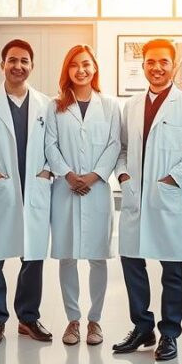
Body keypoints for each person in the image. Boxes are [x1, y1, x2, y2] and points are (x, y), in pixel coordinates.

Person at [113, 38, 182, 362]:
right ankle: (142, 327)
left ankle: (169, 333)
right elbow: (123, 149)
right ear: (143, 66)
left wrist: (172, 178)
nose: (156, 68)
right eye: (151, 62)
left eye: (163, 62)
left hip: (166, 195)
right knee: (131, 260)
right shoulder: (132, 105)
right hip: (136, 195)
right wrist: (123, 176)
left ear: (174, 65)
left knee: (171, 267)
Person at [0, 39, 54, 347]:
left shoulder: (46, 104)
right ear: (2, 64)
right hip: (1, 188)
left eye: (24, 61)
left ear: (32, 65)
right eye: (12, 60)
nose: (18, 66)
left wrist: (48, 171)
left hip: (36, 188)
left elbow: (55, 145)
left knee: (33, 256)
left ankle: (28, 318)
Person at [44, 45, 121, 347]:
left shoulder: (110, 105)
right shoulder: (55, 106)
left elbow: (115, 144)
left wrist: (94, 175)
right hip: (65, 188)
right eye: (74, 65)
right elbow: (50, 144)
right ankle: (73, 320)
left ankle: (95, 321)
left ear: (94, 68)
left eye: (86, 64)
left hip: (98, 188)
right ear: (67, 70)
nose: (81, 70)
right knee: (67, 257)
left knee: (98, 257)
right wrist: (67, 174)